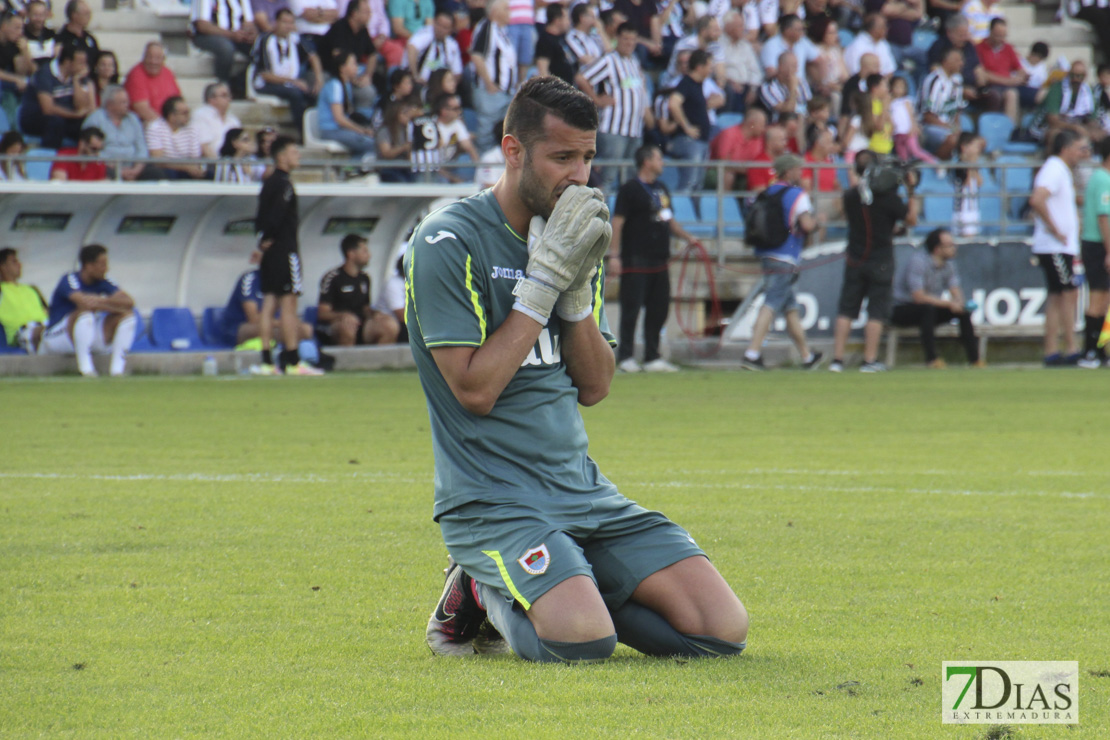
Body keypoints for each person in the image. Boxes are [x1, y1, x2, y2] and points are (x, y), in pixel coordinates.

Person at [409, 76, 748, 663]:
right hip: (494, 501)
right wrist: (542, 285)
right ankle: (478, 585)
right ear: (513, 151)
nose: (579, 175)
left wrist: (573, 298)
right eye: (562, 157)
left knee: (721, 630)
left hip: (583, 492)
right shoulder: (447, 239)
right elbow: (474, 390)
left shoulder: (569, 236)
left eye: (588, 157)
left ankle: (572, 584)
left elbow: (595, 386)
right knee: (584, 644)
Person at [830, 149, 919, 372]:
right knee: (876, 311)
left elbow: (846, 212)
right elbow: (911, 219)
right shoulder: (888, 199)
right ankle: (869, 360)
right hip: (880, 259)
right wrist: (911, 189)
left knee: (846, 309)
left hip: (855, 258)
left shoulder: (850, 196)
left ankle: (837, 360)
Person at [610, 144, 696, 373]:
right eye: (658, 158)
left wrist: (688, 238)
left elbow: (668, 218)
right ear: (647, 162)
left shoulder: (661, 189)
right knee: (631, 309)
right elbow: (617, 223)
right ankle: (626, 356)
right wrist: (614, 256)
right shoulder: (629, 190)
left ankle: (652, 356)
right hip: (635, 259)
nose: (662, 163)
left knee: (659, 309)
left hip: (660, 260)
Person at [740, 153, 824, 371]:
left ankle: (807, 357)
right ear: (789, 171)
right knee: (771, 303)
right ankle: (752, 354)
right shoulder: (797, 195)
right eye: (797, 169)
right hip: (786, 255)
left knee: (790, 309)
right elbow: (806, 225)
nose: (801, 172)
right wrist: (818, 223)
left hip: (767, 253)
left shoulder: (766, 192)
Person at [253, 136, 323, 376]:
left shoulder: (267, 183)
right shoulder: (284, 185)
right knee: (289, 305)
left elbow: (260, 218)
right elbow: (276, 215)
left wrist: (262, 241)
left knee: (268, 304)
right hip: (284, 251)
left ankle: (266, 362)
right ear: (281, 156)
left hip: (270, 254)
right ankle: (293, 362)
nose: (298, 156)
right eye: (294, 151)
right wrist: (271, 235)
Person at [1029, 129, 1087, 366]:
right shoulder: (1054, 169)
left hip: (1059, 245)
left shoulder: (1060, 170)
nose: (1082, 154)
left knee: (1056, 296)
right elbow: (1037, 199)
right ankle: (1071, 347)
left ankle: (1051, 350)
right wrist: (1054, 229)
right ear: (1066, 148)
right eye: (1080, 149)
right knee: (1067, 293)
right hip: (1054, 245)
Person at [575, 22, 652, 193]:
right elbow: (582, 78)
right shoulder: (609, 60)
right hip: (614, 129)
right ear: (617, 39)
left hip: (634, 130)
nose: (629, 43)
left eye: (633, 40)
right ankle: (602, 214)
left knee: (632, 177)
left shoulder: (634, 61)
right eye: (626, 39)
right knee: (608, 176)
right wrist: (595, 99)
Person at [39, 244, 137, 378]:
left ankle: (117, 372)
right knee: (84, 313)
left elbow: (129, 302)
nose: (106, 269)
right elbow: (84, 303)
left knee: (127, 316)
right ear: (89, 266)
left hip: (87, 335)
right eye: (102, 265)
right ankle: (86, 370)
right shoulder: (69, 279)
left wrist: (100, 300)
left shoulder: (105, 280)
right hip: (58, 337)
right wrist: (110, 305)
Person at [891, 227, 982, 368]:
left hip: (928, 309)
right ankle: (932, 359)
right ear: (937, 249)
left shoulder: (949, 265)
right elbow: (918, 297)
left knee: (962, 312)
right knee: (927, 309)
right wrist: (949, 304)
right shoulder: (918, 262)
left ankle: (975, 360)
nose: (954, 248)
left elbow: (956, 291)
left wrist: (959, 304)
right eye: (949, 245)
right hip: (901, 308)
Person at [316, 233, 400, 346]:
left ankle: (379, 362)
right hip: (336, 325)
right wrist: (343, 315)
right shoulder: (332, 278)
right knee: (347, 327)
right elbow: (322, 313)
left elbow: (365, 307)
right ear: (351, 254)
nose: (369, 255)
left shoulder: (365, 278)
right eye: (364, 251)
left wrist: (375, 314)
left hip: (361, 323)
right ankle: (347, 362)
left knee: (389, 325)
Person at [251, 7, 324, 131]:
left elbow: (313, 56)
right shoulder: (265, 40)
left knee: (314, 93)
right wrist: (294, 82)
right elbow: (265, 74)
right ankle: (302, 132)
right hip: (266, 84)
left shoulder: (295, 38)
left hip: (289, 83)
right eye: (285, 22)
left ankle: (316, 129)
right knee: (295, 93)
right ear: (276, 22)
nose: (288, 26)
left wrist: (319, 78)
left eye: (291, 23)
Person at [215, 262, 316, 347]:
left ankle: (295, 357)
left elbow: (291, 314)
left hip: (274, 326)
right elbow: (253, 319)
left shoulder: (284, 282)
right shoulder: (250, 279)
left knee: (306, 329)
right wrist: (284, 323)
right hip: (239, 329)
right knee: (282, 332)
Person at [19, 44, 94, 149]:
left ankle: (81, 161)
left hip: (65, 117)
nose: (85, 67)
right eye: (81, 63)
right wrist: (75, 115)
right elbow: (48, 109)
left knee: (87, 126)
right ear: (68, 63)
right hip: (35, 118)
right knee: (56, 122)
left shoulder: (80, 75)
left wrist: (77, 81)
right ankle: (50, 158)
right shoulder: (45, 74)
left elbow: (81, 107)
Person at [81, 86, 163, 181]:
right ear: (110, 104)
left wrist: (136, 169)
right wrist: (118, 171)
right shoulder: (95, 119)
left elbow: (141, 147)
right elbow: (90, 150)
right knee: (102, 171)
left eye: (127, 101)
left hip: (133, 166)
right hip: (106, 166)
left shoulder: (133, 119)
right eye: (123, 102)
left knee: (157, 173)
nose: (127, 105)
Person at [1078, 137, 1110, 367]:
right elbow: (1103, 218)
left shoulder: (1101, 178)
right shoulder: (1103, 179)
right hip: (1098, 245)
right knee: (1098, 300)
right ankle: (1090, 352)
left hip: (1100, 245)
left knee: (1104, 300)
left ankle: (1099, 351)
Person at [470, 0, 517, 152]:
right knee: (487, 134)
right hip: (491, 93)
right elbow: (477, 55)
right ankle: (484, 169)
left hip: (504, 93)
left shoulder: (502, 31)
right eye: (506, 9)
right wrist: (489, 83)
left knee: (502, 133)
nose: (510, 12)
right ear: (495, 12)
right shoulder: (487, 26)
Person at [315, 0, 377, 111]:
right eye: (366, 12)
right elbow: (338, 58)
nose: (370, 15)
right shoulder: (339, 28)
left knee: (368, 92)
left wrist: (367, 75)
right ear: (354, 13)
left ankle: (361, 121)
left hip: (351, 75)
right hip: (328, 73)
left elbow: (372, 54)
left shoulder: (363, 30)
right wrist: (353, 79)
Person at [666, 48, 712, 193]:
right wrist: (686, 127)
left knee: (697, 186)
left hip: (700, 142)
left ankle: (693, 215)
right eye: (709, 66)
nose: (711, 69)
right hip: (691, 142)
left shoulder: (697, 85)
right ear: (700, 67)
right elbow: (673, 103)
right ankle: (682, 213)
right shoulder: (686, 83)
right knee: (689, 184)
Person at [317, 50, 376, 156]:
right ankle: (354, 169)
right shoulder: (335, 85)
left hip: (341, 130)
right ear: (342, 67)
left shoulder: (346, 85)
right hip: (331, 131)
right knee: (370, 144)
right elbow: (339, 118)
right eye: (353, 63)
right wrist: (361, 130)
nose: (356, 67)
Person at [190, 0, 258, 90]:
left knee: (260, 47)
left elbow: (248, 21)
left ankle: (237, 84)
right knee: (226, 48)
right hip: (208, 35)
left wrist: (250, 32)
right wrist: (231, 35)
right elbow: (202, 25)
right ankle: (222, 85)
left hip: (236, 34)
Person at [918, 45, 965, 159]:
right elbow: (927, 116)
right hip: (928, 127)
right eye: (957, 60)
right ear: (946, 62)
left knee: (975, 142)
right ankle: (935, 165)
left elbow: (957, 110)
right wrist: (950, 128)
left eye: (961, 60)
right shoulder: (934, 81)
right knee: (953, 139)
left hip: (948, 126)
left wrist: (957, 128)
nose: (961, 64)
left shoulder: (957, 80)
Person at [145, 96, 206, 180]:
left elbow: (194, 158)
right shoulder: (155, 128)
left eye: (189, 112)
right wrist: (186, 167)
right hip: (167, 170)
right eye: (184, 113)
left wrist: (193, 169)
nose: (188, 116)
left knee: (207, 175)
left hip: (187, 169)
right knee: (169, 174)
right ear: (171, 116)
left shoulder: (192, 128)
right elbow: (158, 160)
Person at [0, 247, 49, 352]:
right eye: (14, 261)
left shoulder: (32, 289)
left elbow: (48, 311)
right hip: (21, 333)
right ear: (3, 267)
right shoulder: (2, 290)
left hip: (45, 327)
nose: (20, 264)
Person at [123, 42, 182, 126]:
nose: (153, 62)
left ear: (163, 59)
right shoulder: (136, 74)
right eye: (149, 57)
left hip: (167, 124)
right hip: (145, 124)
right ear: (143, 57)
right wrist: (165, 127)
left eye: (157, 58)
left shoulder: (168, 72)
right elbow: (142, 109)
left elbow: (178, 102)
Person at [710, 107, 765, 192]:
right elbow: (723, 161)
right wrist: (748, 169)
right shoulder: (729, 133)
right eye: (762, 125)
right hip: (715, 170)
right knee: (728, 175)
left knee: (759, 179)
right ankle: (725, 204)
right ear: (752, 124)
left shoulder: (758, 139)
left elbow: (757, 162)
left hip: (741, 172)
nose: (763, 129)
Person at [407, 10, 463, 83]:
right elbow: (412, 48)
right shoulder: (426, 33)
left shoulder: (452, 45)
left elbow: (457, 72)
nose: (440, 29)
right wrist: (415, 76)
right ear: (433, 22)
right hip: (417, 83)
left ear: (450, 30)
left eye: (445, 27)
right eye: (438, 24)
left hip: (439, 87)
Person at [192, 82, 243, 159]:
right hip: (210, 164)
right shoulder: (201, 115)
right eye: (224, 95)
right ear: (212, 99)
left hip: (231, 163)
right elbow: (203, 147)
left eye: (229, 96)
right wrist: (221, 166)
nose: (229, 99)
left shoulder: (233, 120)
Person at [534, 4, 576, 85]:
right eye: (566, 18)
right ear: (557, 20)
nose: (569, 22)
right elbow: (543, 70)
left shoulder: (562, 38)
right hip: (558, 91)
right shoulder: (545, 41)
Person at [54, 0, 99, 65]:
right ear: (74, 15)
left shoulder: (90, 39)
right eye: (86, 13)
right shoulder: (61, 39)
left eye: (89, 13)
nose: (89, 17)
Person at [23, 0, 56, 66]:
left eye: (41, 15)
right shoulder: (22, 35)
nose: (39, 19)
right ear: (28, 14)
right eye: (35, 15)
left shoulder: (51, 34)